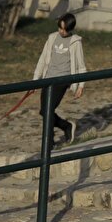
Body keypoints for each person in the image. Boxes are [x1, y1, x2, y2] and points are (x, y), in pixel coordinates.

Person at [32, 12, 86, 144]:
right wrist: (35, 80)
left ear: (70, 29)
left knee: (48, 110)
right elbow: (43, 59)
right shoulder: (51, 38)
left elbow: (81, 66)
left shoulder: (75, 42)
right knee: (44, 112)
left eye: (65, 29)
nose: (62, 31)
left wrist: (81, 85)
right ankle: (66, 126)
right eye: (60, 28)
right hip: (48, 78)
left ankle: (48, 144)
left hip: (62, 80)